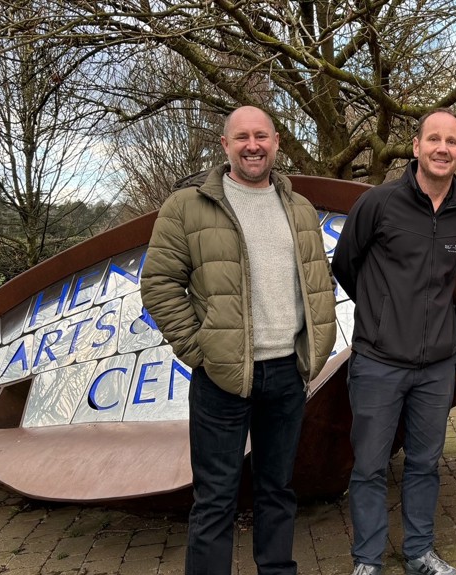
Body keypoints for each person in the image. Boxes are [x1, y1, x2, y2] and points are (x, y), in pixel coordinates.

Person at [141, 106, 337, 575]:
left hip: (287, 372)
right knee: (215, 498)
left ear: (276, 143)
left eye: (262, 136)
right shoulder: (188, 207)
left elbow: (316, 281)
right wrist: (199, 350)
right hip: (222, 378)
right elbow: (159, 283)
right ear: (225, 145)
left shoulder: (299, 207)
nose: (254, 145)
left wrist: (315, 348)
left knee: (277, 489)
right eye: (243, 137)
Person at [331, 108, 456, 575]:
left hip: (437, 364)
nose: (442, 148)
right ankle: (368, 560)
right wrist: (380, 312)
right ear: (415, 147)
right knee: (370, 467)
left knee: (424, 464)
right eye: (432, 139)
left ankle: (419, 553)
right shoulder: (380, 202)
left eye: (451, 141)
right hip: (378, 362)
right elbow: (345, 265)